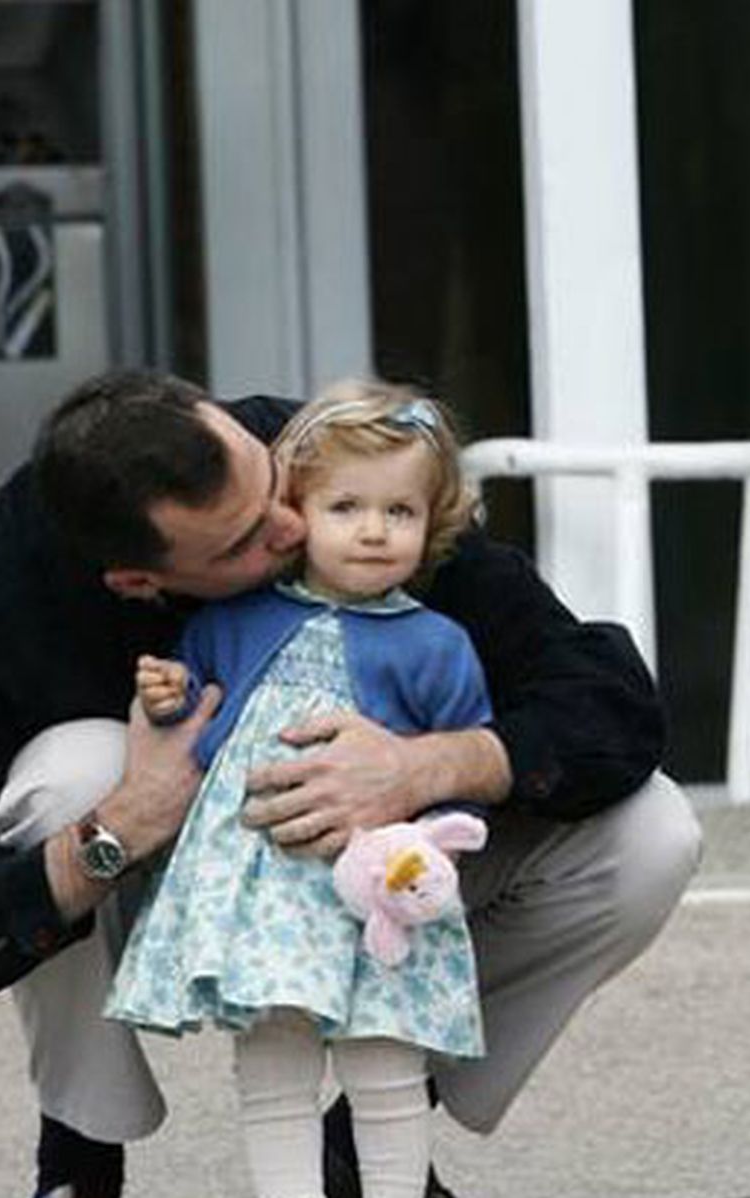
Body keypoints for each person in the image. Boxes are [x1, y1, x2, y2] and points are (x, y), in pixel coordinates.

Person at [0, 368, 702, 1198]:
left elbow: (608, 699)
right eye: (246, 540)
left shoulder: (336, 474)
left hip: (383, 870)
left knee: (651, 834)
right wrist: (120, 827)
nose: (291, 528)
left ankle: (360, 1144)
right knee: (69, 772)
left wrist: (423, 766)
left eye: (272, 483)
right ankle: (81, 1149)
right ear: (141, 581)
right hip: (172, 877)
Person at [106, 382, 493, 1198]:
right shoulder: (232, 621)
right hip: (264, 899)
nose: (374, 530)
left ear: (433, 525)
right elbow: (198, 722)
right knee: (274, 1062)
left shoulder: (437, 644)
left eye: (400, 512)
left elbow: (461, 765)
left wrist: (437, 847)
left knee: (386, 1060)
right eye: (346, 506)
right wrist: (166, 690)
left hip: (375, 897)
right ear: (297, 511)